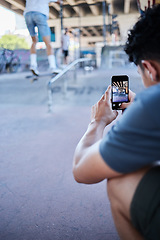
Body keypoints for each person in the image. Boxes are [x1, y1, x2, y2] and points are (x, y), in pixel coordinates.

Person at [73, 4, 160, 240]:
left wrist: (97, 122)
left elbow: (81, 170)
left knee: (120, 181)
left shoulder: (153, 104)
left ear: (149, 69)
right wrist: (140, 107)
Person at [24, 0, 61, 76]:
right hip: (40, 14)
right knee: (48, 43)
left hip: (28, 14)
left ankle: (33, 65)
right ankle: (53, 67)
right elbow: (58, 1)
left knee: (34, 41)